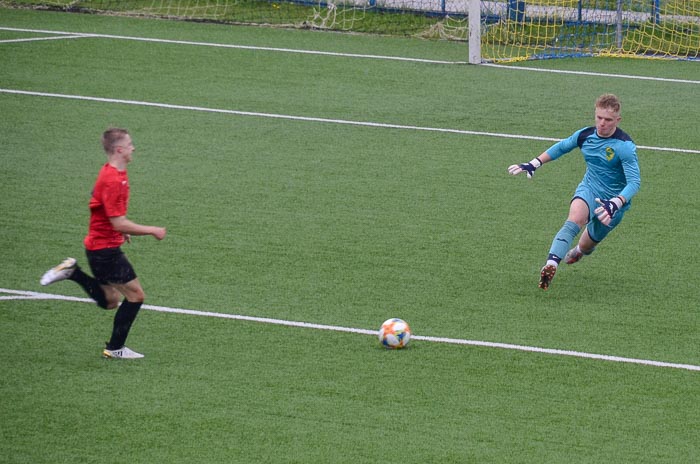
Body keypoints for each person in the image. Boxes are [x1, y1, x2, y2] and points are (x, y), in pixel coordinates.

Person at [40, 128, 166, 358]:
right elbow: (118, 222)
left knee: (110, 301)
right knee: (136, 296)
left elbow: (99, 201)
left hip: (101, 246)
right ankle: (115, 348)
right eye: (130, 144)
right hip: (104, 251)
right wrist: (152, 230)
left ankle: (73, 272)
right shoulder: (113, 179)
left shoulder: (112, 172)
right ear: (119, 149)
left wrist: (117, 228)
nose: (133, 148)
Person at [507, 94, 641, 290]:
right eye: (599, 118)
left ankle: (579, 250)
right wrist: (534, 163)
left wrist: (616, 202)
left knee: (587, 246)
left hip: (613, 203)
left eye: (608, 120)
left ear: (617, 120)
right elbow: (562, 147)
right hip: (589, 188)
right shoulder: (585, 135)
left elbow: (634, 182)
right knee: (574, 220)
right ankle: (551, 265)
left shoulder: (625, 147)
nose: (602, 123)